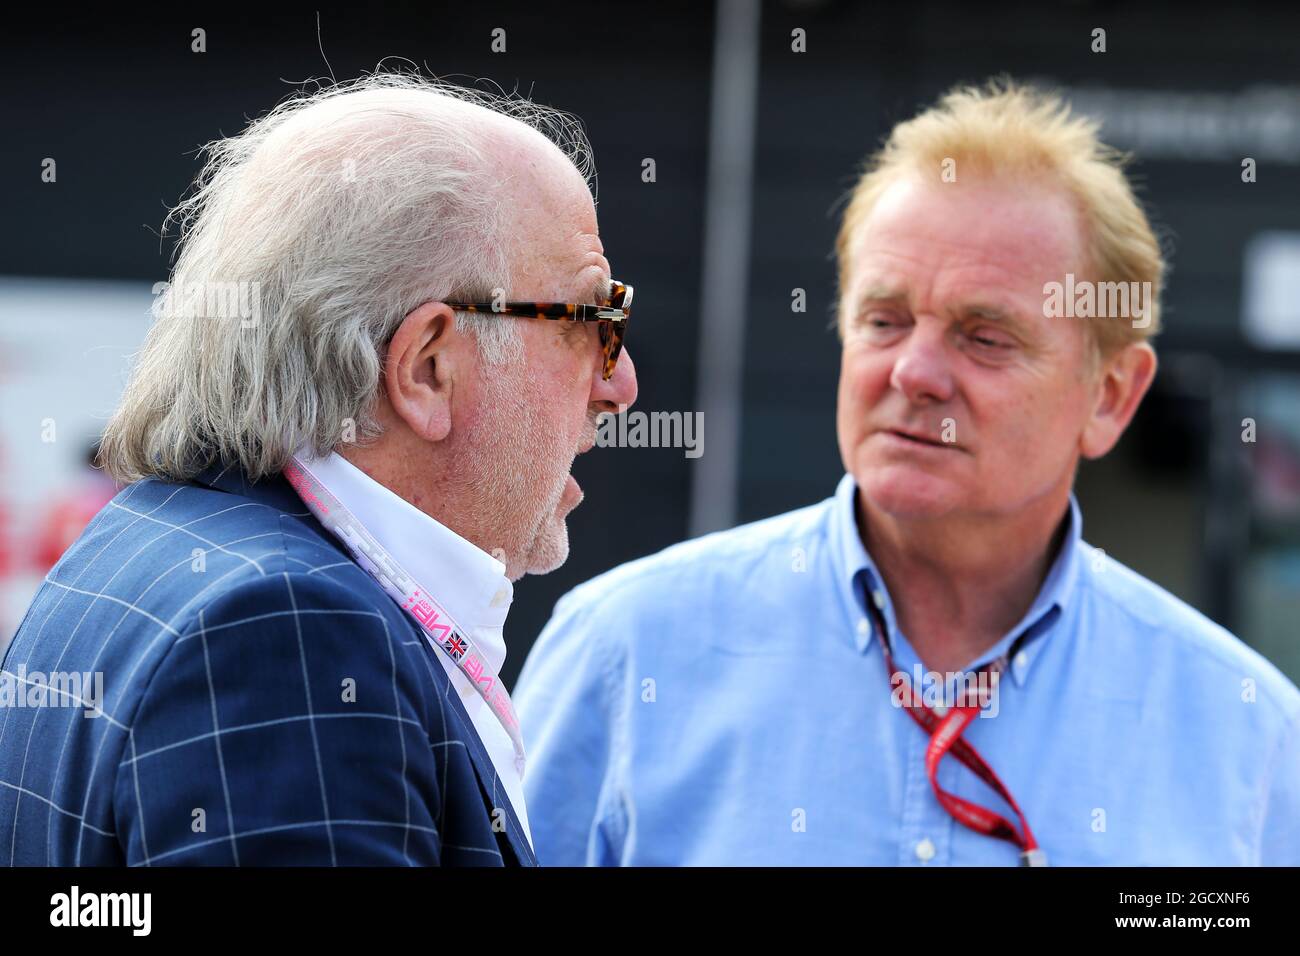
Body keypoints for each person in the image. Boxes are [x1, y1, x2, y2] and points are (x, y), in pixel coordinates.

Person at [514, 79, 1300, 866]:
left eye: (986, 335)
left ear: (1111, 395)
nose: (914, 373)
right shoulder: (626, 652)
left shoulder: (1248, 739)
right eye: (884, 321)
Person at [0, 73, 637, 866]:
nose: (620, 385)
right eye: (594, 321)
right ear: (427, 369)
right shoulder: (292, 633)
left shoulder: (145, 543)